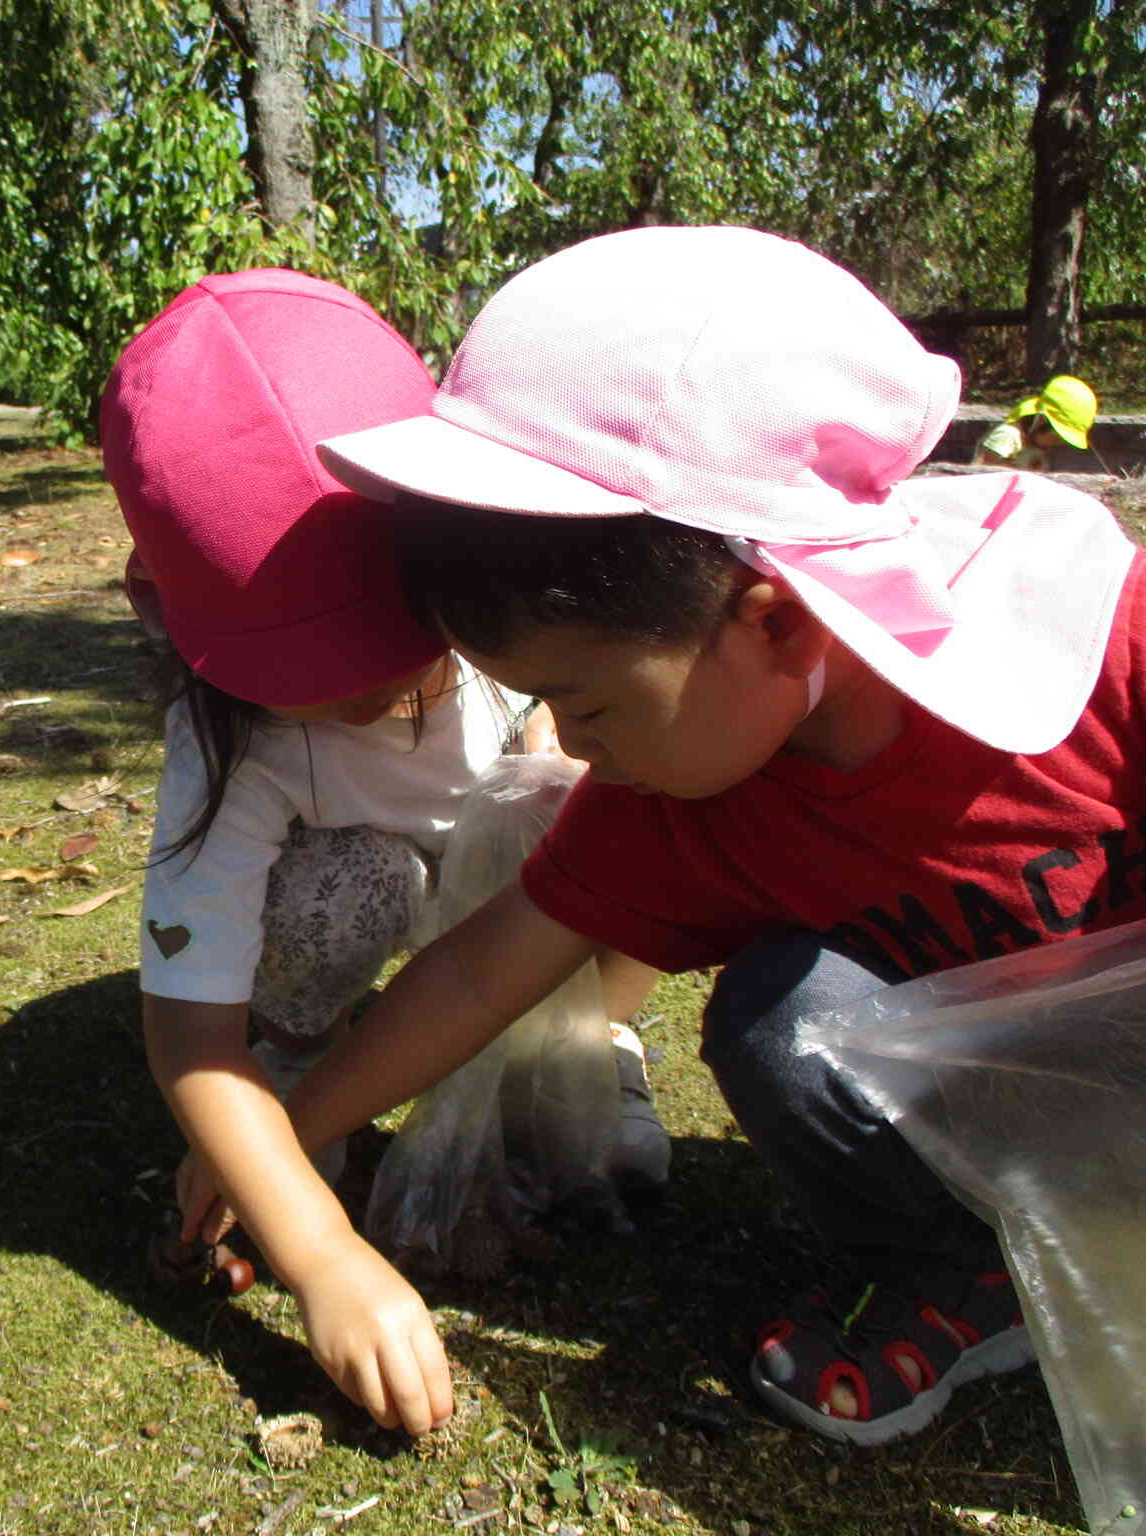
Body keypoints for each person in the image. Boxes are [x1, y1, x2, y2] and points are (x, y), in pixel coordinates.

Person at [203, 224, 1144, 1447]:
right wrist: (282, 1144)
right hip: (996, 1121)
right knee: (778, 1019)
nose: (573, 748)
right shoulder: (683, 793)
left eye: (585, 704)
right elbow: (482, 967)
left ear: (774, 622)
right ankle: (955, 1269)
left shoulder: (1097, 648)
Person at [102, 268, 664, 1430]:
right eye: (311, 678)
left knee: (598, 807)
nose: (376, 695)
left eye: (398, 645)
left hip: (509, 915)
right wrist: (316, 1252)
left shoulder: (507, 610)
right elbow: (186, 1028)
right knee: (349, 883)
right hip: (373, 916)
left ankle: (594, 1032)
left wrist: (557, 754)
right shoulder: (229, 744)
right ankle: (310, 1076)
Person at [973, 373, 1097, 471]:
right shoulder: (1007, 437)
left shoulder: (1035, 446)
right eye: (1057, 438)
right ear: (1042, 421)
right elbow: (976, 473)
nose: (1055, 445)